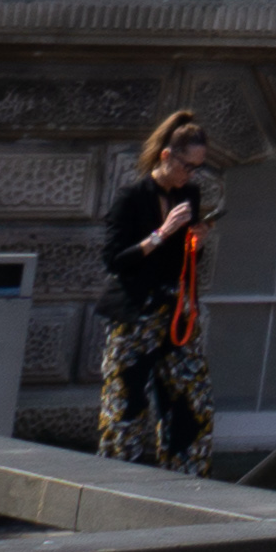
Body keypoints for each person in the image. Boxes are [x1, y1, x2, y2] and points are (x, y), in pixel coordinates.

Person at [98, 111, 223, 474]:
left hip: (177, 313)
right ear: (166, 156)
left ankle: (187, 481)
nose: (192, 174)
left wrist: (196, 242)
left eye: (198, 168)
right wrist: (161, 234)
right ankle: (115, 483)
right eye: (187, 165)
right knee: (125, 405)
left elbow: (183, 260)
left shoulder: (189, 193)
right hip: (135, 314)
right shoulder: (132, 198)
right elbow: (115, 260)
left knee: (193, 401)